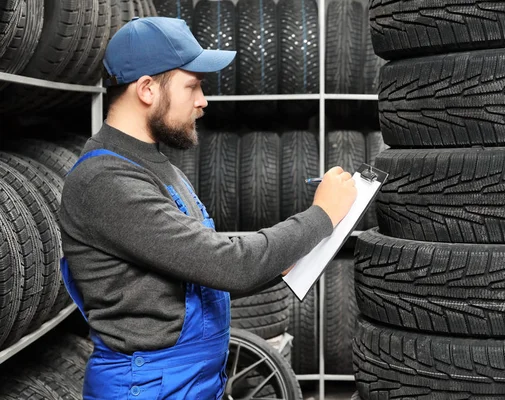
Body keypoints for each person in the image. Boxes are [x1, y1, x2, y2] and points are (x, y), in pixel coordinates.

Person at [58, 16, 357, 399]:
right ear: (147, 89)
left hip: (188, 381)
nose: (203, 100)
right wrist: (323, 215)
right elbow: (228, 265)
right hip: (146, 388)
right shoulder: (105, 181)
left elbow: (195, 269)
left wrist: (279, 260)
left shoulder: (152, 163)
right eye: (193, 86)